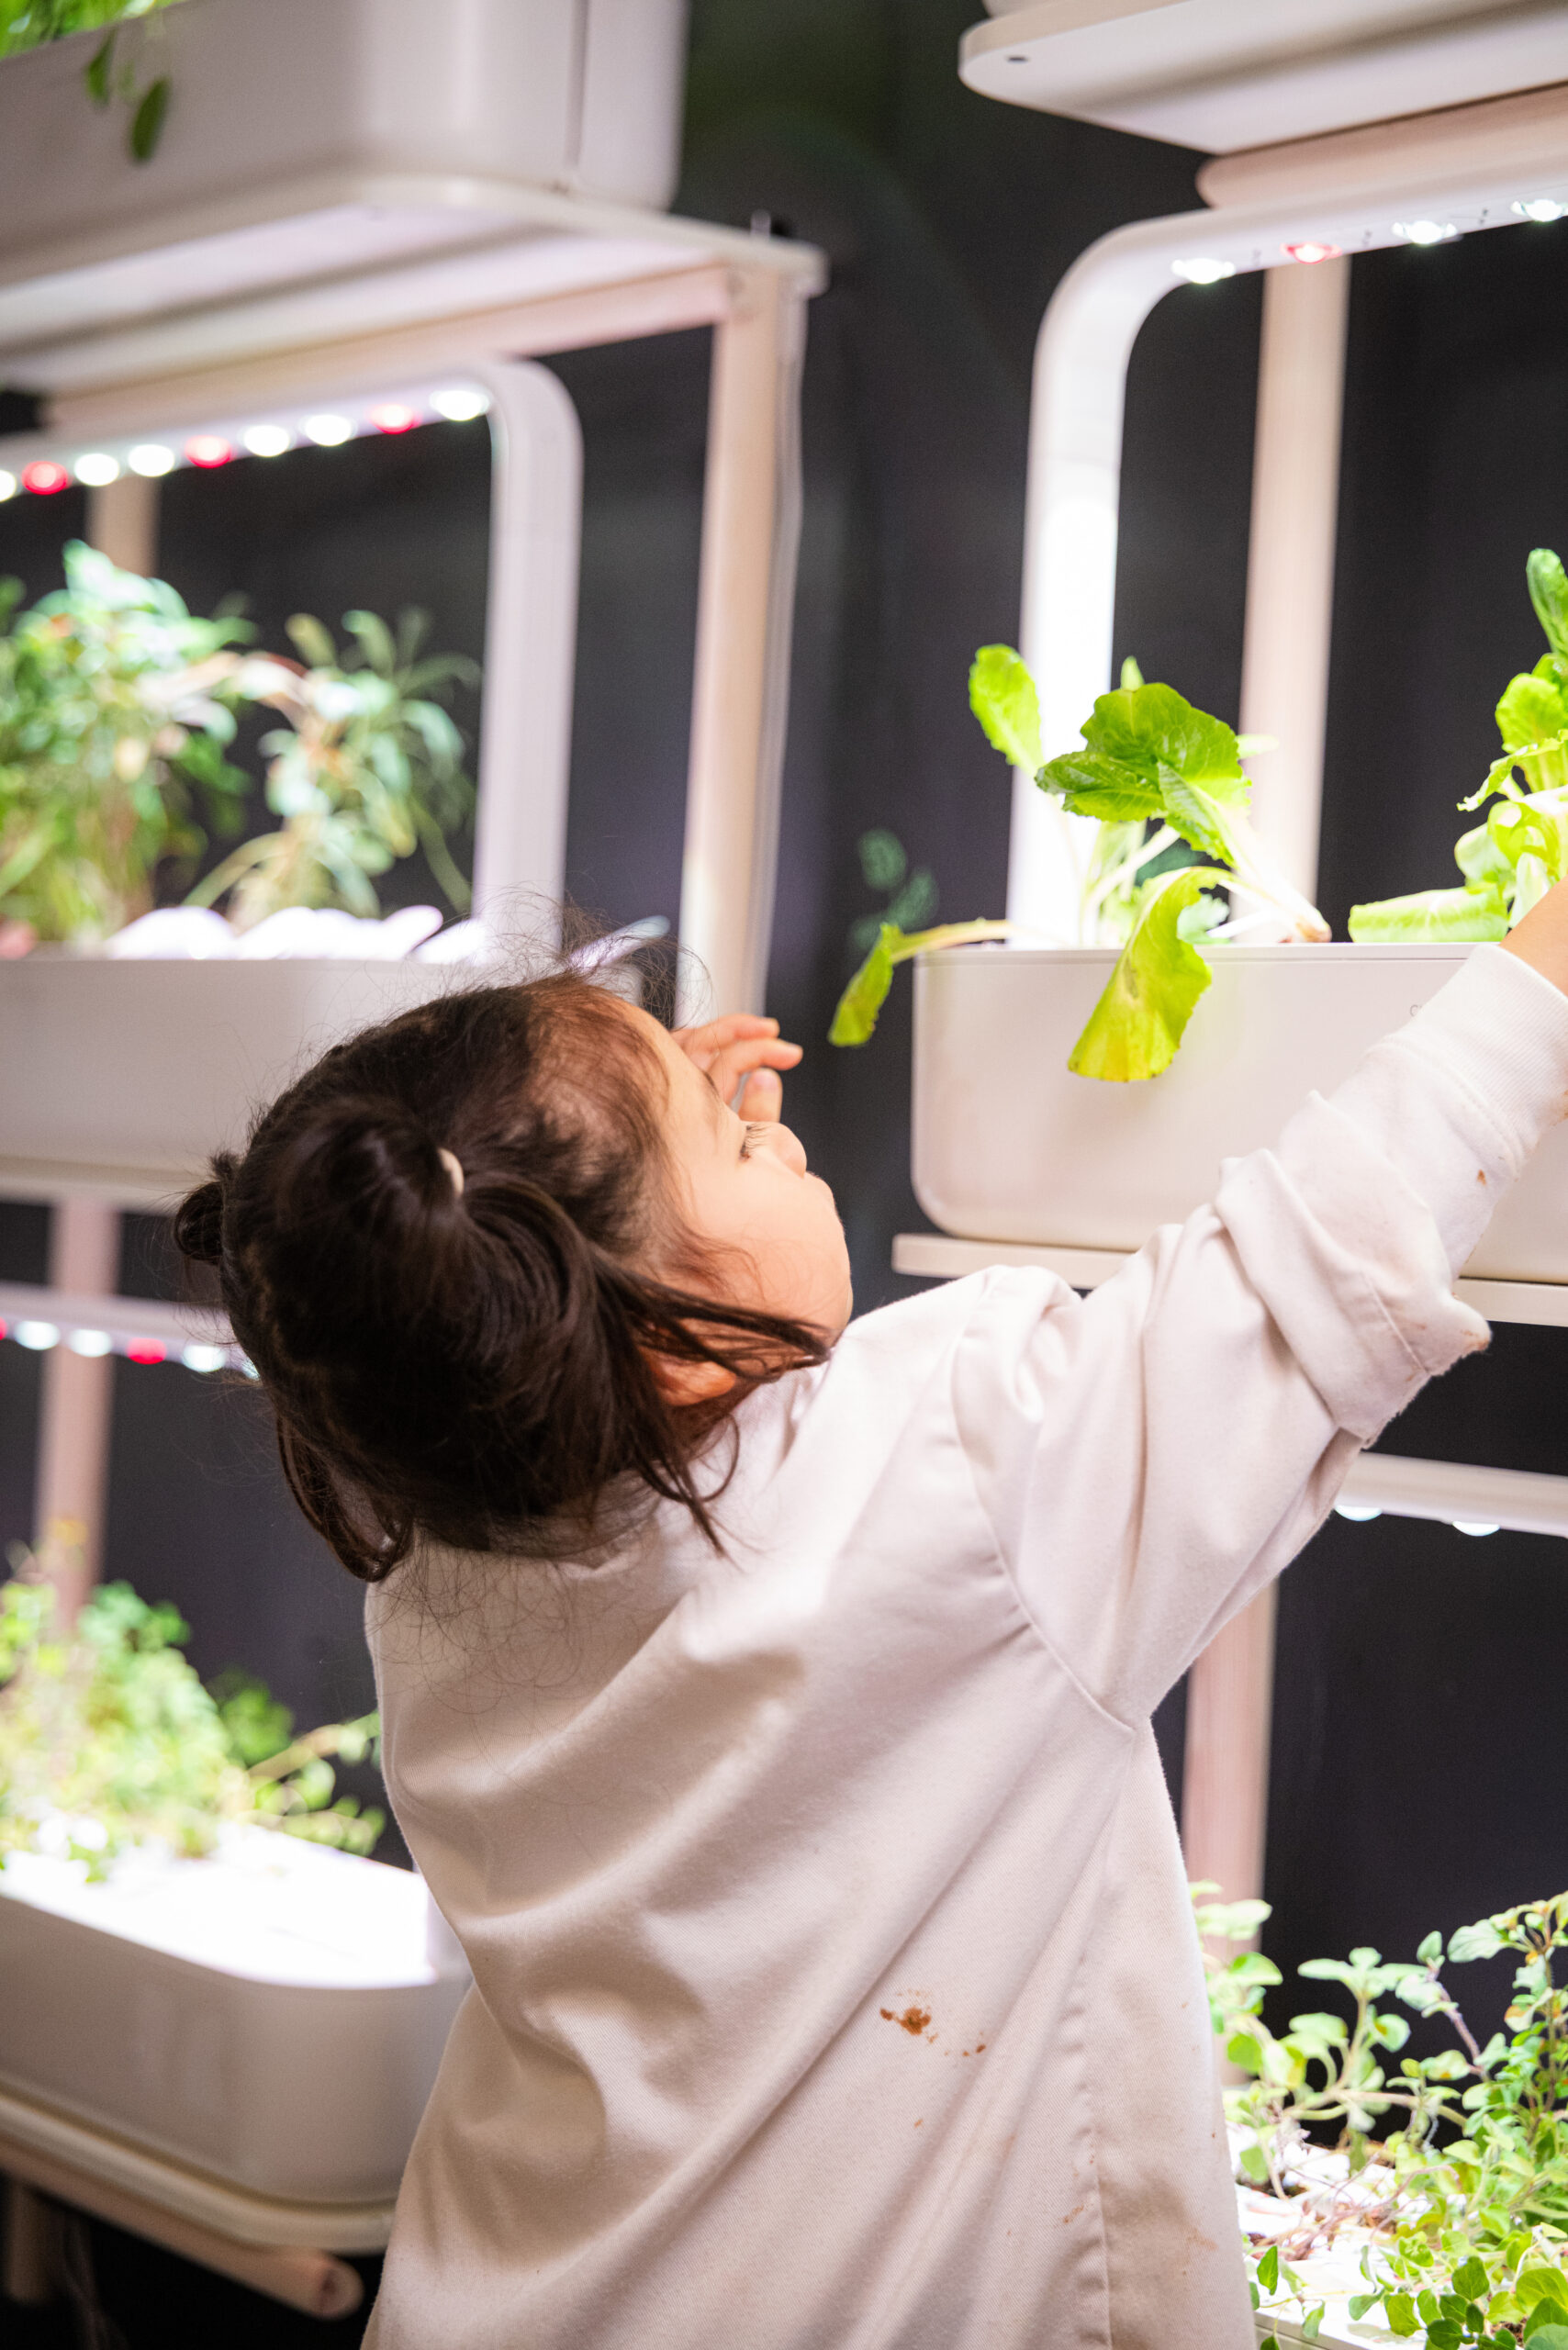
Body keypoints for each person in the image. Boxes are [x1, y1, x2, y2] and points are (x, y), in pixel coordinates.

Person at [175, 897, 1568, 2350]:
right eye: (731, 1144)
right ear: (657, 1339)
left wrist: (630, 1178)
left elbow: (551, 1340)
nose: (776, 1132)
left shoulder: (436, 1572)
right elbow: (1306, 1263)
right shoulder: (966, 1480)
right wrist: (1540, 976)